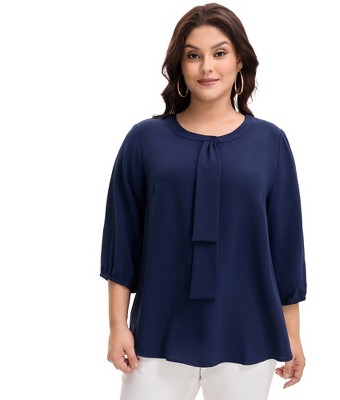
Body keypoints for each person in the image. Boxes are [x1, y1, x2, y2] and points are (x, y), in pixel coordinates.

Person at [100, 3, 307, 399]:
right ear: (180, 65)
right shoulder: (144, 141)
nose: (206, 67)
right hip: (156, 335)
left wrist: (292, 335)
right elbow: (121, 241)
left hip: (248, 336)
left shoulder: (270, 143)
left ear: (239, 61)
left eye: (219, 53)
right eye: (193, 55)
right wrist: (117, 326)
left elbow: (286, 248)